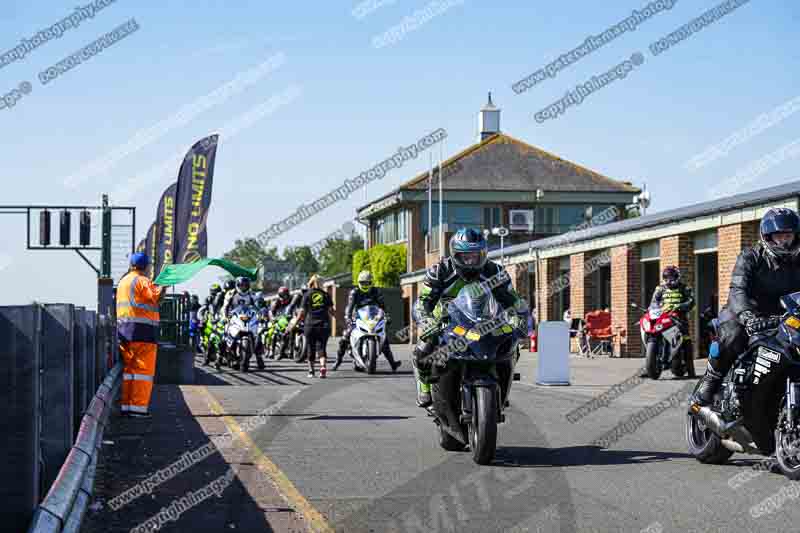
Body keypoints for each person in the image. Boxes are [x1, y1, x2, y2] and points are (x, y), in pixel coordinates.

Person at [693, 208, 800, 406]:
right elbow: (738, 289)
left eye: (788, 235)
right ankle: (712, 379)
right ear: (767, 237)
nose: (785, 241)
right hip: (747, 312)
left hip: (785, 315)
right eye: (779, 236)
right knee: (733, 334)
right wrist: (747, 316)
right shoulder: (750, 256)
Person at [412, 228, 527, 408]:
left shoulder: (496, 271)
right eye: (465, 256)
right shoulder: (439, 271)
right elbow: (423, 301)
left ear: (484, 254)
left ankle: (503, 385)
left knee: (511, 343)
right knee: (423, 348)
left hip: (486, 322)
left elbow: (512, 299)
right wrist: (426, 320)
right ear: (455, 255)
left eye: (475, 256)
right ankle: (424, 385)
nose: (471, 261)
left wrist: (519, 316)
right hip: (446, 322)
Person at [117, 252, 164, 418]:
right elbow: (156, 297)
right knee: (143, 372)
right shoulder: (142, 280)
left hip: (124, 332)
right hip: (143, 333)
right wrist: (164, 285)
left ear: (131, 265)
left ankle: (126, 406)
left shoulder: (123, 281)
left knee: (129, 372)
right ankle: (137, 408)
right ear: (146, 267)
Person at [334, 270, 401, 372]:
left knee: (383, 336)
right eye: (362, 283)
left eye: (367, 283)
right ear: (358, 282)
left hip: (373, 317)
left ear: (371, 282)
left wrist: (387, 315)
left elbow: (382, 305)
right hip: (358, 317)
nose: (365, 285)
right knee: (345, 336)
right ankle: (338, 361)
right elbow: (350, 306)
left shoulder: (376, 291)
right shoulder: (354, 292)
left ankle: (393, 363)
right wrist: (348, 317)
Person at [650, 265, 695, 354]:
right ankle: (654, 352)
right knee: (654, 330)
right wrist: (654, 308)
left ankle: (688, 360)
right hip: (663, 316)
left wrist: (680, 306)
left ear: (677, 277)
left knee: (686, 337)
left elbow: (691, 301)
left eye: (671, 278)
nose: (669, 281)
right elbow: (654, 302)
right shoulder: (660, 289)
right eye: (666, 278)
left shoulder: (684, 288)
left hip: (679, 317)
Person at [297, 274, 335, 378]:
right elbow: (331, 311)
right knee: (321, 347)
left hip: (310, 324)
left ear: (311, 282)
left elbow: (302, 312)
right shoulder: (326, 295)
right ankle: (322, 367)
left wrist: (295, 322)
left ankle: (311, 371)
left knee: (310, 347)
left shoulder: (307, 294)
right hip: (324, 324)